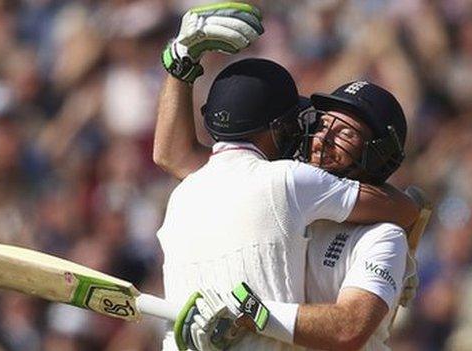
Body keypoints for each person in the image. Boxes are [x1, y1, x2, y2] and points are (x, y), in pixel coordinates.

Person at [155, 3, 418, 350]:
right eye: (322, 123)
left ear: (378, 154)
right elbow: (175, 156)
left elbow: (349, 327)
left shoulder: (380, 235)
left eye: (345, 134)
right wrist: (180, 67)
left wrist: (251, 311)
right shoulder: (278, 186)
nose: (322, 137)